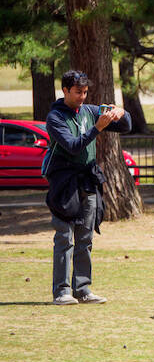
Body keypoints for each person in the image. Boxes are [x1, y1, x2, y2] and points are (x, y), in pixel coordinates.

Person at [45, 70, 132, 305]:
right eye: (77, 92)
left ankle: (82, 290)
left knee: (85, 236)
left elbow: (126, 126)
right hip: (64, 182)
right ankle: (62, 292)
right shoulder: (55, 117)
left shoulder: (90, 110)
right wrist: (97, 128)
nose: (82, 97)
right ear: (65, 91)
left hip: (88, 179)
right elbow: (73, 146)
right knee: (65, 237)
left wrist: (121, 112)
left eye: (85, 92)